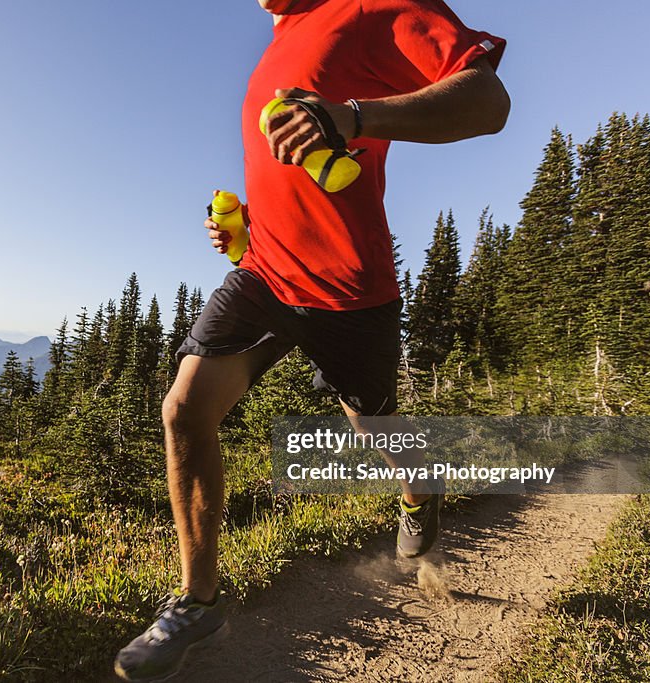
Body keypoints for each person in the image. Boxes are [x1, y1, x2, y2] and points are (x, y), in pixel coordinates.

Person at [114, 0, 509, 680]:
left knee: (371, 418)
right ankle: (197, 600)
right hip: (263, 271)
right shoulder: (277, 41)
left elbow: (488, 101)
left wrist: (354, 114)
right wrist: (241, 229)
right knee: (183, 409)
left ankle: (419, 485)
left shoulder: (367, 6)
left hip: (348, 286)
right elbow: (290, 167)